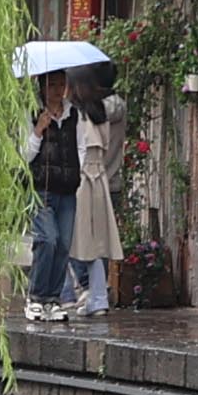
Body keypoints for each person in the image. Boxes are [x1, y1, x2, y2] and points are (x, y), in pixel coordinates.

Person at [24, 73, 81, 323]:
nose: (58, 90)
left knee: (64, 245)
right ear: (42, 87)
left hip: (68, 190)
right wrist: (38, 131)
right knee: (48, 239)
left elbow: (81, 148)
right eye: (52, 85)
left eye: (61, 85)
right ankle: (35, 297)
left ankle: (53, 299)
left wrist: (80, 175)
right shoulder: (32, 114)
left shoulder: (73, 115)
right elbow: (24, 155)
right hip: (41, 189)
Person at [70, 69, 124, 320]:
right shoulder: (102, 112)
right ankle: (97, 295)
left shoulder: (80, 116)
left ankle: (89, 292)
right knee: (99, 241)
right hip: (102, 179)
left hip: (83, 181)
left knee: (80, 239)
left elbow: (81, 151)